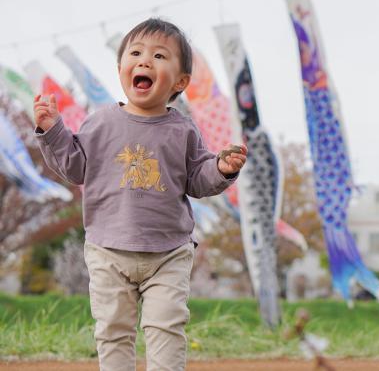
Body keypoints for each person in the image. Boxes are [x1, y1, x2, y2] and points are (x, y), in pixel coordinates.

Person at [33, 18, 246, 370]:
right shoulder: (100, 123)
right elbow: (73, 166)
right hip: (108, 250)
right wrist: (53, 129)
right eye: (136, 53)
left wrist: (222, 169)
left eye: (160, 56)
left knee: (167, 327)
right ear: (121, 69)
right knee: (113, 331)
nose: (145, 61)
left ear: (180, 81)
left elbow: (197, 177)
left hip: (168, 253)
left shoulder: (182, 129)